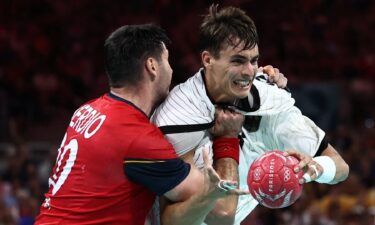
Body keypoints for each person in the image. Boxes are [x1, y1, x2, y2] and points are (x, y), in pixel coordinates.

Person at [151, 5, 349, 225]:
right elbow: (215, 217)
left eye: (254, 60)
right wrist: (228, 139)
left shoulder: (271, 98)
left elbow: (340, 167)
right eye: (237, 61)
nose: (249, 71)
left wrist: (315, 169)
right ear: (207, 60)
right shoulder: (178, 117)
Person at [34, 24, 247, 225]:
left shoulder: (86, 110)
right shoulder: (137, 138)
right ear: (152, 66)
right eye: (167, 61)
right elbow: (222, 211)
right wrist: (228, 137)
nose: (171, 71)